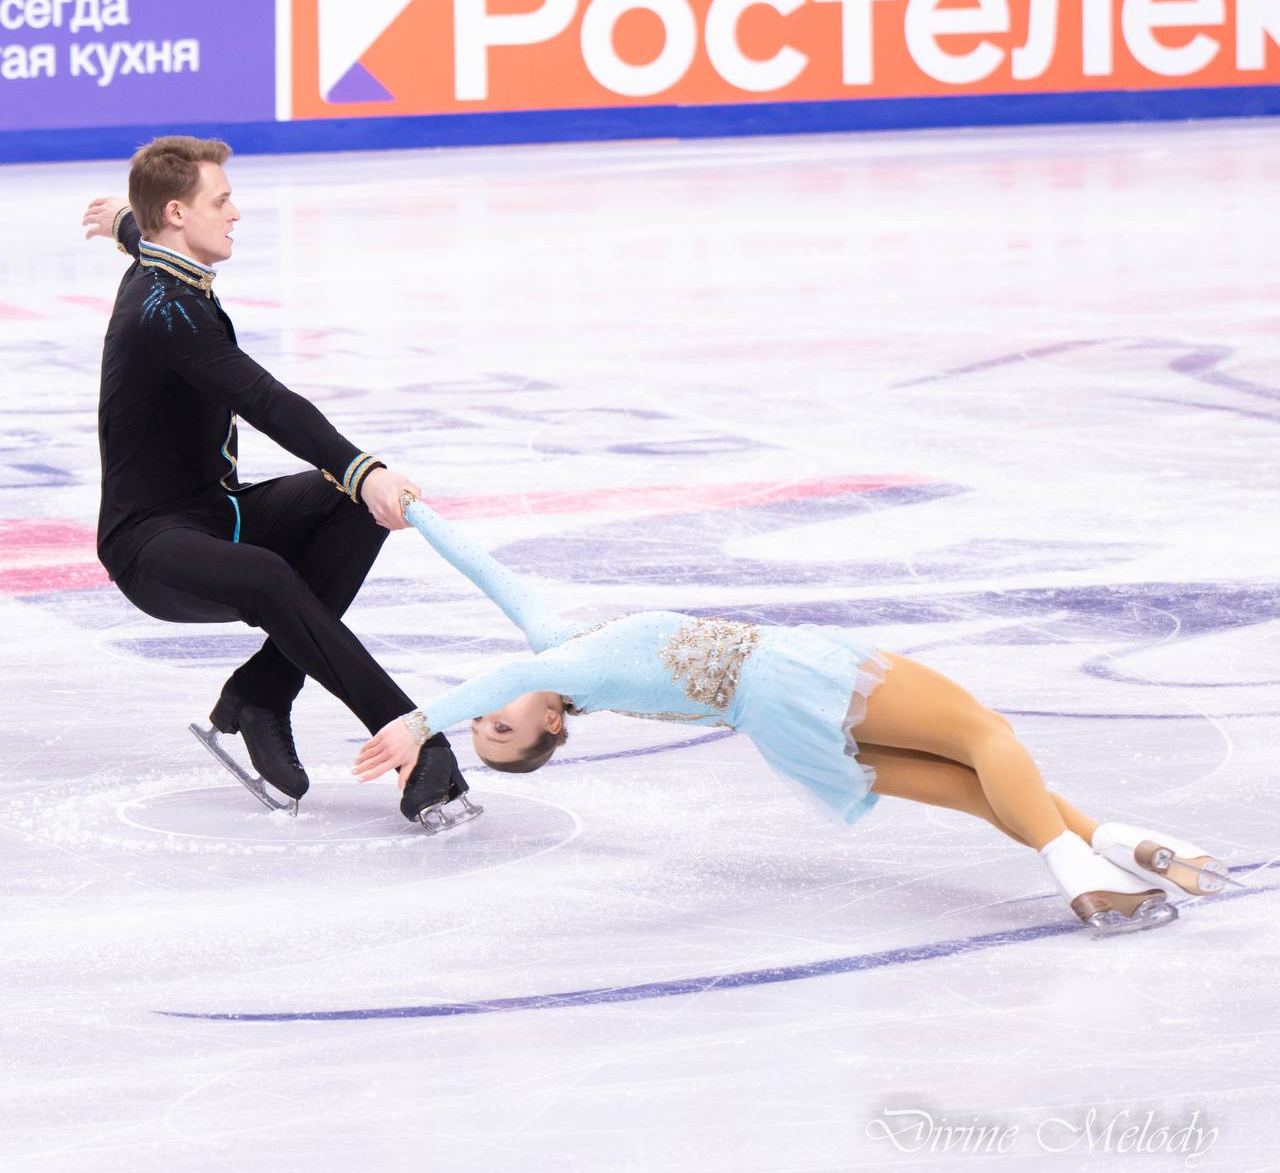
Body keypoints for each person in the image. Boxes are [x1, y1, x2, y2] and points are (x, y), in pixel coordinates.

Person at [354, 495, 1237, 933]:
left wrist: (408, 505)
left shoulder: (560, 649)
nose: (490, 716)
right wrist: (424, 720)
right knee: (986, 738)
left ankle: (1130, 846)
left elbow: (489, 572)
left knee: (977, 789)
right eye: (497, 731)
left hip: (779, 728)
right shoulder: (561, 666)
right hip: (791, 678)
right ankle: (1084, 878)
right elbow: (503, 670)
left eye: (485, 724)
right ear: (550, 726)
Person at [83, 136, 473, 829]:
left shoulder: (163, 256)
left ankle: (261, 694)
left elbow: (145, 239)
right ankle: (417, 740)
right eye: (221, 200)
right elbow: (267, 402)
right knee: (269, 573)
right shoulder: (166, 314)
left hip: (216, 511)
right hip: (150, 545)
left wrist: (126, 223)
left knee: (345, 505)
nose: (237, 213)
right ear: (176, 213)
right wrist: (366, 467)